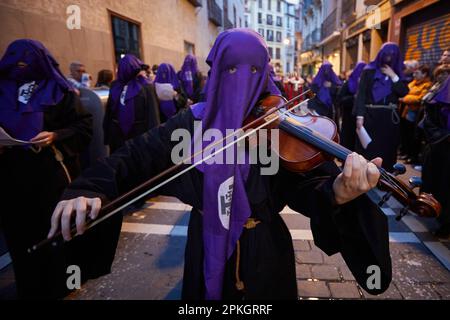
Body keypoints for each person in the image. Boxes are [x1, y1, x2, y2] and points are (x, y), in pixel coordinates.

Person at [47, 29, 392, 300]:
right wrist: (87, 188)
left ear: (265, 73)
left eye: (254, 70)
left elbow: (306, 187)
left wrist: (339, 190)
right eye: (231, 69)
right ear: (215, 71)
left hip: (266, 251)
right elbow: (132, 158)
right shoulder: (189, 124)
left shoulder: (282, 126)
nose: (242, 80)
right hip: (205, 241)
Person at [0, 39, 115, 299]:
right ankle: (29, 288)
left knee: (54, 233)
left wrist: (55, 135)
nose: (21, 65)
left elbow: (84, 128)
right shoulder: (1, 90)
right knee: (20, 238)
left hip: (49, 178)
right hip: (10, 181)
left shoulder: (59, 91)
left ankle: (58, 286)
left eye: (27, 60)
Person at [353, 43, 409, 172]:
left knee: (387, 150)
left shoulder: (398, 73)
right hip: (370, 116)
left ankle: (385, 179)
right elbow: (361, 94)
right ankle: (364, 176)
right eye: (386, 54)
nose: (389, 58)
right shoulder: (369, 70)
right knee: (368, 148)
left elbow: (403, 92)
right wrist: (360, 116)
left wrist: (393, 75)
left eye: (392, 55)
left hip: (389, 120)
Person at [103, 54, 160, 153]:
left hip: (139, 135)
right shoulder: (115, 85)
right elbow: (109, 111)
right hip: (117, 135)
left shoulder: (146, 87)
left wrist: (153, 141)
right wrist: (107, 135)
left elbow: (153, 115)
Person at [421, 64, 450, 238]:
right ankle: (443, 222)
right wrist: (445, 137)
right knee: (442, 188)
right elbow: (428, 124)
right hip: (442, 152)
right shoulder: (436, 103)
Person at [399, 65, 432, 164]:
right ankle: (406, 153)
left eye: (417, 73)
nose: (414, 75)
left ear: (424, 74)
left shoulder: (427, 85)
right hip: (406, 112)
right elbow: (404, 92)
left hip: (416, 113)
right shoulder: (413, 83)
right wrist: (408, 96)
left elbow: (419, 98)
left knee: (414, 136)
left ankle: (412, 156)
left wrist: (405, 99)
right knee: (405, 135)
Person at [337, 61, 366, 150]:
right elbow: (339, 99)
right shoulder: (349, 83)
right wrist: (353, 97)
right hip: (349, 116)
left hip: (362, 117)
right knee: (348, 139)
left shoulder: (367, 83)